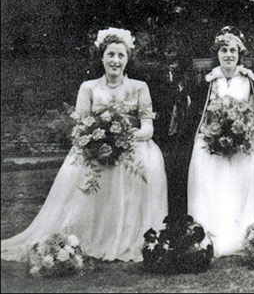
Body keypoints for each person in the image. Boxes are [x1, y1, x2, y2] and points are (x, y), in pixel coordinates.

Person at [1, 27, 168, 262]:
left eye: (121, 56)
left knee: (149, 165)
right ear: (102, 57)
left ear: (128, 59)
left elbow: (148, 128)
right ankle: (85, 236)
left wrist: (124, 139)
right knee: (80, 169)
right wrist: (98, 138)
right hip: (96, 145)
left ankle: (130, 235)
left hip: (130, 144)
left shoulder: (139, 87)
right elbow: (80, 125)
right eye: (111, 54)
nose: (116, 61)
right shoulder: (88, 87)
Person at [187, 26, 254, 257]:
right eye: (223, 50)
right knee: (204, 160)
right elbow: (199, 114)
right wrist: (215, 131)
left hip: (243, 138)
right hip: (216, 139)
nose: (228, 55)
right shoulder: (210, 82)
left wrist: (246, 127)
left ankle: (248, 225)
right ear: (217, 55)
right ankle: (213, 228)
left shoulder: (248, 81)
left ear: (239, 55)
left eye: (232, 50)